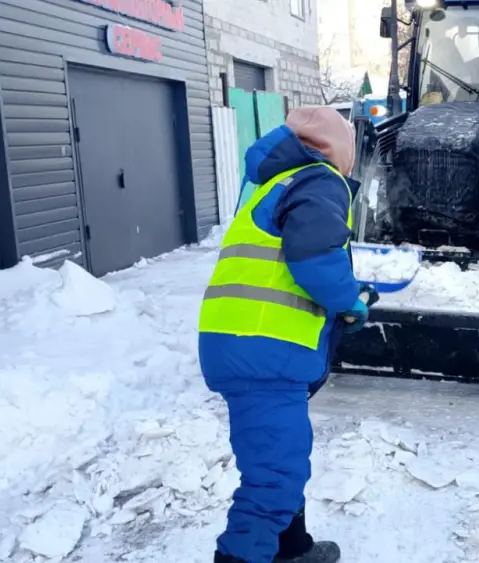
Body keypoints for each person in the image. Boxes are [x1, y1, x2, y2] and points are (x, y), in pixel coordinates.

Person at [198, 106, 374, 563]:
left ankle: (292, 549)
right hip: (264, 351)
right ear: (339, 151)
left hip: (247, 346)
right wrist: (349, 299)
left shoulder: (277, 183)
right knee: (273, 478)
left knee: (281, 459)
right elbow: (314, 256)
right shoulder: (319, 180)